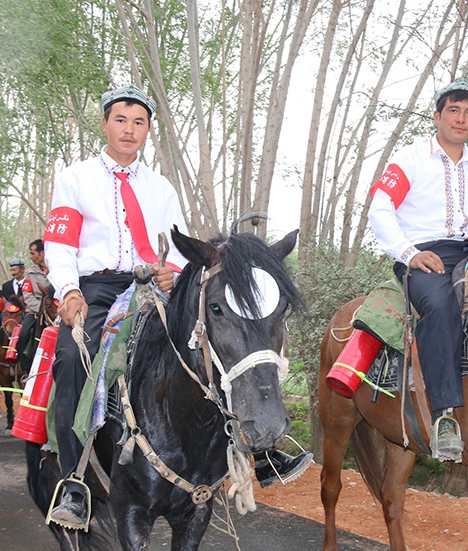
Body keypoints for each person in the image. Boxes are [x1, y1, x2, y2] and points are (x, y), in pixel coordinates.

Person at [44, 85, 310, 528]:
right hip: (97, 288)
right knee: (74, 357)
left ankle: (257, 452)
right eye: (121, 120)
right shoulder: (75, 179)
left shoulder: (160, 186)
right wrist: (69, 290)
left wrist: (169, 269)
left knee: (216, 348)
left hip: (155, 287)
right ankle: (74, 481)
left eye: (139, 122)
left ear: (148, 129)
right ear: (106, 123)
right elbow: (59, 245)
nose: (129, 130)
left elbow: (178, 248)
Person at [367, 78, 468, 460]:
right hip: (421, 256)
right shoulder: (409, 159)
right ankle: (445, 415)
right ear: (437, 115)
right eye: (454, 111)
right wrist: (408, 253)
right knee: (443, 304)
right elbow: (379, 210)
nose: (462, 119)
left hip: (467, 255)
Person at [14, 239, 52, 370]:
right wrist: (42, 310)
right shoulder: (30, 273)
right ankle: (26, 369)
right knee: (23, 335)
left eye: (32, 253)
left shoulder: (58, 268)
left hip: (58, 309)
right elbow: (28, 296)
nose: (31, 257)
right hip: (36, 311)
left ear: (42, 253)